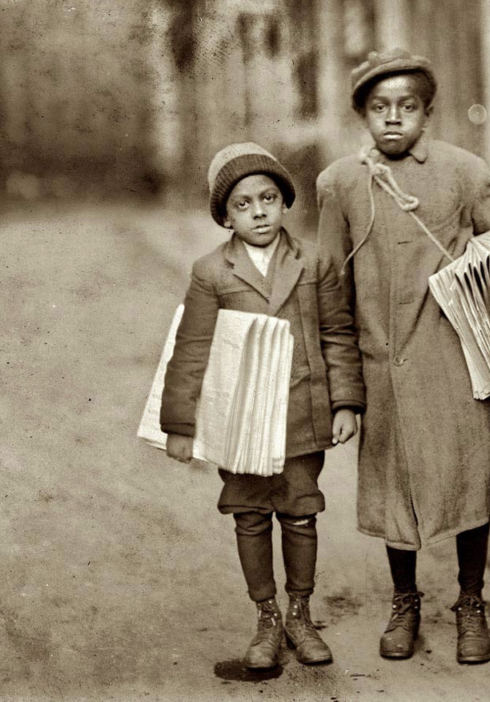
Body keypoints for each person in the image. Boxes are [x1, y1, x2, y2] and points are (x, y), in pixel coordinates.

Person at [316, 49, 490, 665]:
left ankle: (471, 602)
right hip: (384, 371)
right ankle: (405, 602)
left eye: (407, 107)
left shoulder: (463, 171)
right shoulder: (342, 183)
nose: (393, 119)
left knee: (468, 486)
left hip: (460, 366)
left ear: (428, 114)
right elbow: (330, 289)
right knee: (394, 492)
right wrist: (345, 390)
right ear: (363, 116)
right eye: (380, 109)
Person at [160, 142, 365, 670]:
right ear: (225, 216)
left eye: (268, 198)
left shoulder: (314, 260)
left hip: (301, 413)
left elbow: (338, 333)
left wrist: (346, 402)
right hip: (240, 419)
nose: (258, 212)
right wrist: (180, 425)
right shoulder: (211, 271)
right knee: (250, 515)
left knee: (300, 513)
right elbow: (192, 349)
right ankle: (267, 618)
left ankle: (300, 613)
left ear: (284, 202)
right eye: (243, 204)